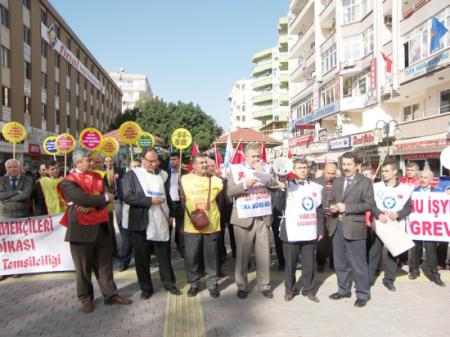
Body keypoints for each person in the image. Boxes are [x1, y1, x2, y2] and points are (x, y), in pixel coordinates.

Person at [58, 148, 131, 313]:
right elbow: (82, 199)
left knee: (105, 266)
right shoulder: (68, 181)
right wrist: (101, 199)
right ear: (77, 162)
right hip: (80, 230)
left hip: (101, 227)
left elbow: (109, 195)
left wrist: (95, 203)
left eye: (91, 160)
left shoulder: (98, 176)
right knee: (83, 269)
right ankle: (85, 298)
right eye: (88, 160)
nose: (92, 162)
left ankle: (111, 295)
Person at [122, 148, 181, 299]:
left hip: (160, 220)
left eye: (156, 160)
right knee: (142, 258)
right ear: (142, 159)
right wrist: (149, 201)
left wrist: (172, 214)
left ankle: (170, 284)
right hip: (140, 222)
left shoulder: (162, 174)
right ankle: (146, 288)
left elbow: (167, 196)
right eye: (150, 161)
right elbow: (128, 197)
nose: (154, 164)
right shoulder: (131, 175)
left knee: (163, 255)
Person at [227, 142, 278, 299]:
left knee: (263, 254)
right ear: (245, 156)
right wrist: (244, 185)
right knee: (242, 255)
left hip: (262, 216)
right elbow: (230, 192)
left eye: (258, 156)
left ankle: (264, 285)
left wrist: (263, 174)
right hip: (243, 218)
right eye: (253, 156)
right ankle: (242, 285)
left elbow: (275, 186)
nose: (256, 159)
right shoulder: (235, 170)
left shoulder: (267, 168)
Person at [329, 152, 375, 307]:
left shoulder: (365, 182)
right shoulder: (337, 181)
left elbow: (369, 204)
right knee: (339, 262)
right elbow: (332, 199)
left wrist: (346, 207)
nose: (346, 168)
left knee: (358, 262)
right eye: (344, 164)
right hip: (337, 226)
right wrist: (333, 206)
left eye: (349, 164)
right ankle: (343, 289)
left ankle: (363, 293)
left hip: (354, 226)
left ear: (357, 166)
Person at [280, 158, 323, 302]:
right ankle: (290, 290)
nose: (303, 170)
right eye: (299, 167)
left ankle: (309, 290)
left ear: (309, 169)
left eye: (305, 167)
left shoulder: (316, 187)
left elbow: (319, 210)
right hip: (291, 231)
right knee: (290, 263)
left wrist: (320, 229)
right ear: (294, 170)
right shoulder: (287, 186)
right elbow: (279, 205)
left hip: (309, 230)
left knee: (309, 263)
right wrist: (280, 189)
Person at [181, 153, 223, 298]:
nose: (205, 165)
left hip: (211, 223)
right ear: (193, 165)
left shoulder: (217, 181)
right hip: (191, 224)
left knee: (211, 257)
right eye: (201, 163)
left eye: (206, 162)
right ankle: (194, 283)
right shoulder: (185, 179)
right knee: (191, 256)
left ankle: (212, 284)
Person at [369, 160, 413, 291]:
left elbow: (408, 208)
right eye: (382, 171)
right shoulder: (376, 187)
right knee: (374, 253)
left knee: (393, 254)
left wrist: (399, 214)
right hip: (379, 224)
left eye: (386, 171)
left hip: (395, 225)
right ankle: (369, 278)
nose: (383, 173)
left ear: (395, 172)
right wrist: (378, 214)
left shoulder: (405, 189)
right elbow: (371, 204)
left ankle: (389, 280)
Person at [409, 169, 445, 287]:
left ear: (431, 180)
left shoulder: (439, 193)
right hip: (417, 226)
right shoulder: (414, 192)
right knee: (415, 249)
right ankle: (414, 270)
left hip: (429, 228)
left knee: (431, 251)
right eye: (421, 177)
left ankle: (435, 274)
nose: (423, 180)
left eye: (426, 178)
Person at [117, 160, 140, 271]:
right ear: (129, 168)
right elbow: (124, 197)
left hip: (141, 213)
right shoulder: (124, 180)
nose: (136, 168)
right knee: (127, 240)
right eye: (134, 166)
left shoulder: (145, 179)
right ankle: (124, 262)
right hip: (128, 212)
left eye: (138, 166)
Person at [314, 162, 337, 272]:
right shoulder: (316, 183)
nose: (330, 175)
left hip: (334, 217)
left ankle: (333, 262)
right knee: (321, 242)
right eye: (328, 173)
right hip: (320, 216)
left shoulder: (338, 182)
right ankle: (320, 262)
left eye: (333, 173)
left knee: (334, 241)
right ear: (324, 171)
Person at [165, 152, 185, 258]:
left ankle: (182, 249)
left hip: (180, 204)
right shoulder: (166, 174)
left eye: (175, 159)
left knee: (181, 228)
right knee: (168, 227)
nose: (172, 161)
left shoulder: (185, 173)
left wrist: (182, 184)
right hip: (169, 204)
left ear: (179, 160)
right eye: (171, 159)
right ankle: (166, 250)